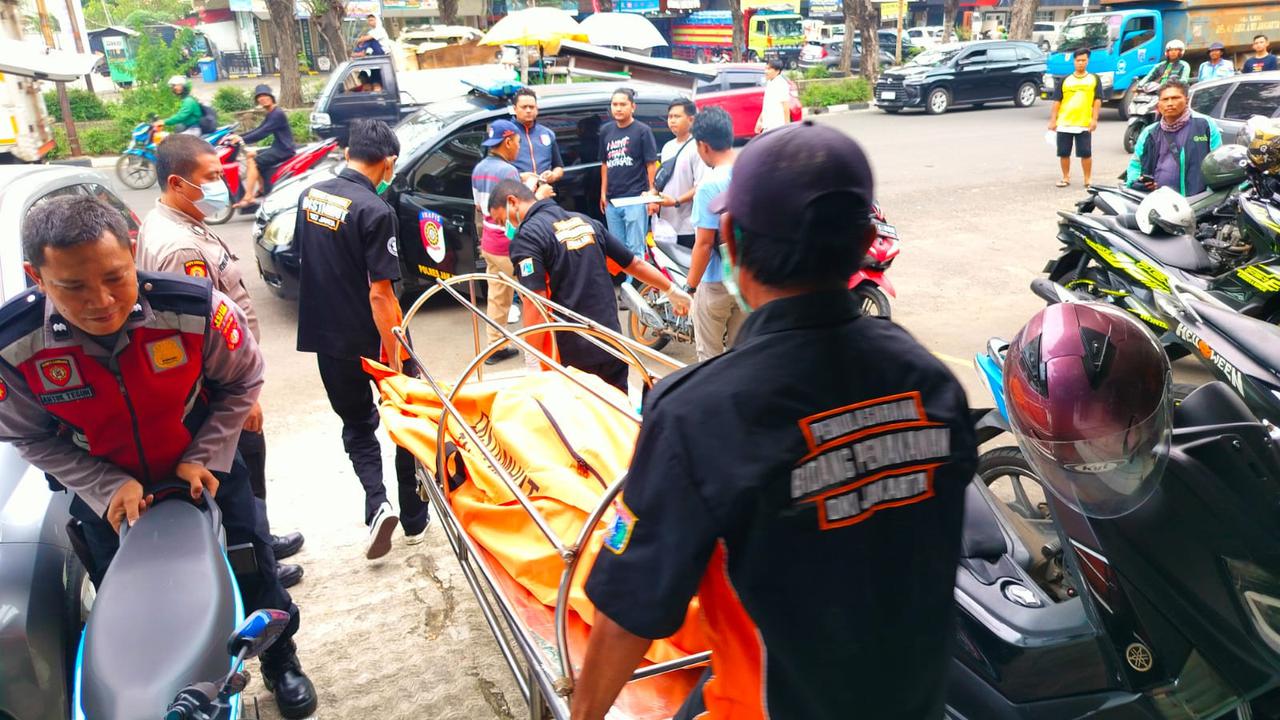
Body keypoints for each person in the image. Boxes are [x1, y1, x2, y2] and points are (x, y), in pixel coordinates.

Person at [569, 121, 977, 720]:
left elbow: (631, 610)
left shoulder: (697, 415)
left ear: (729, 239)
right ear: (866, 239)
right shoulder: (929, 379)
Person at [0, 196, 318, 719]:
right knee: (133, 615)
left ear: (132, 251)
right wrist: (103, 485)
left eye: (114, 277)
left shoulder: (197, 309)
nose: (100, 301)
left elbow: (244, 381)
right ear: (37, 276)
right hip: (110, 500)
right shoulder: (17, 347)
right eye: (72, 286)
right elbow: (29, 437)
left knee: (253, 573)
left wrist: (207, 454)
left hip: (205, 474)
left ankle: (280, 661)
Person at [137, 133, 306, 588]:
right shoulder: (181, 248)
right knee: (240, 479)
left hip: (229, 380)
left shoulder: (177, 220)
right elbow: (196, 336)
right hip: (221, 387)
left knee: (249, 477)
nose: (221, 184)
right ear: (178, 182)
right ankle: (258, 562)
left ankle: (262, 538)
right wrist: (240, 397)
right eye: (210, 178)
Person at [294, 118, 429, 559]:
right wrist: (394, 353)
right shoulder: (375, 210)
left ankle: (377, 503)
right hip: (370, 340)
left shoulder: (310, 196)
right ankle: (412, 516)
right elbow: (380, 292)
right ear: (388, 162)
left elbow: (308, 262)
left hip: (325, 337)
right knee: (403, 414)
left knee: (357, 426)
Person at [491, 180, 691, 393]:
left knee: (584, 422)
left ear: (512, 202)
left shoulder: (527, 237)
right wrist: (671, 290)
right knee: (620, 416)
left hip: (572, 356)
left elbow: (534, 302)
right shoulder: (585, 222)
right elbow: (634, 264)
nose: (507, 227)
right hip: (611, 344)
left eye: (503, 220)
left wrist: (532, 357)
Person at [470, 119, 553, 366]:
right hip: (507, 244)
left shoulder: (479, 168)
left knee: (498, 296)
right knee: (532, 296)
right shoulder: (508, 172)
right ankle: (537, 350)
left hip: (489, 242)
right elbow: (520, 211)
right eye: (517, 142)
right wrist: (539, 193)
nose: (518, 147)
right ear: (507, 142)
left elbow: (479, 205)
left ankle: (496, 346)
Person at [685, 106, 743, 361]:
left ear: (703, 145)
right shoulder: (750, 171)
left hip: (716, 282)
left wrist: (690, 286)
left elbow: (704, 244)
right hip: (748, 279)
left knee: (709, 358)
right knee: (742, 354)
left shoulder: (709, 185)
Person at [1127, 79, 1223, 196]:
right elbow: (1135, 164)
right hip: (1158, 202)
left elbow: (1217, 163)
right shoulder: (1149, 132)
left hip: (1197, 201)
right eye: (1165, 99)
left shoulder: (1205, 124)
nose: (1170, 103)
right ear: (1159, 104)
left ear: (1186, 100)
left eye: (1175, 98)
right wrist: (1135, 182)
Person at [599, 87, 658, 260]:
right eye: (614, 104)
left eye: (622, 104)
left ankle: (635, 286)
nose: (618, 108)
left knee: (635, 250)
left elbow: (651, 165)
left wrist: (651, 196)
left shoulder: (642, 131)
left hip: (635, 199)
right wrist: (603, 193)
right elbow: (605, 163)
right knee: (618, 249)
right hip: (612, 201)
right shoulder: (606, 131)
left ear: (633, 107)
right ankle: (626, 284)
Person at [650, 98, 707, 250]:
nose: (672, 121)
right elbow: (662, 178)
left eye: (677, 116)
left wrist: (676, 201)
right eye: (670, 117)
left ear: (691, 119)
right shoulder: (668, 147)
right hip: (665, 226)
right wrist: (652, 196)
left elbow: (701, 186)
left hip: (688, 226)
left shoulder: (698, 147)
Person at [229, 85, 296, 209]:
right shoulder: (271, 113)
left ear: (271, 97)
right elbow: (258, 129)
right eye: (259, 97)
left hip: (284, 150)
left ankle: (248, 196)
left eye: (265, 96)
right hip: (278, 147)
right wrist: (237, 136)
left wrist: (242, 139)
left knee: (254, 161)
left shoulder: (277, 114)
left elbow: (262, 132)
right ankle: (261, 188)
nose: (262, 98)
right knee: (250, 155)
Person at [1048, 48, 1102, 189]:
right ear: (1074, 61)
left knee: (1085, 153)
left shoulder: (1094, 79)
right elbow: (1057, 101)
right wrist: (1053, 120)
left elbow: (1097, 100)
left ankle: (1087, 179)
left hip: (1084, 123)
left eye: (1083, 60)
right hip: (1065, 122)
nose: (1080, 63)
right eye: (1078, 60)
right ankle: (1066, 177)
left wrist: (1094, 119)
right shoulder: (1066, 80)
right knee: (1064, 152)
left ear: (1088, 61)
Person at [510, 87, 565, 186]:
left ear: (537, 109)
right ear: (515, 109)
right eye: (524, 107)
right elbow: (495, 170)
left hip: (545, 193)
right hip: (518, 193)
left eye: (531, 107)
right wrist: (520, 177)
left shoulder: (547, 133)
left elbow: (559, 167)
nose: (528, 110)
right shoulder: (506, 134)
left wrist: (553, 175)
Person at [756, 58, 792, 134]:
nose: (765, 71)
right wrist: (760, 121)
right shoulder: (769, 82)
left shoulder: (781, 84)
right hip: (768, 126)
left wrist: (787, 128)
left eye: (769, 69)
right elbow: (766, 105)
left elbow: (786, 108)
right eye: (765, 68)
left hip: (777, 127)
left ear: (777, 71)